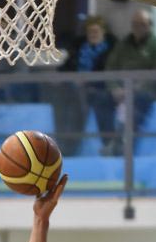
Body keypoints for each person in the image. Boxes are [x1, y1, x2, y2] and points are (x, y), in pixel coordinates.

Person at [102, 8, 156, 155]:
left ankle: (125, 145)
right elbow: (110, 68)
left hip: (145, 92)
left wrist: (131, 89)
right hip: (121, 90)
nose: (138, 27)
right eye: (135, 24)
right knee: (100, 99)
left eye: (142, 24)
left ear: (150, 25)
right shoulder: (122, 45)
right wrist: (114, 88)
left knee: (138, 101)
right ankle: (108, 141)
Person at [50, 15, 117, 155]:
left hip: (97, 89)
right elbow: (66, 67)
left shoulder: (111, 50)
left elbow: (109, 74)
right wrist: (62, 77)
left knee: (80, 103)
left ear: (103, 32)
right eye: (90, 31)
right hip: (72, 87)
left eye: (96, 31)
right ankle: (59, 140)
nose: (93, 34)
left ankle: (70, 147)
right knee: (60, 97)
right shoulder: (79, 47)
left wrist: (87, 82)